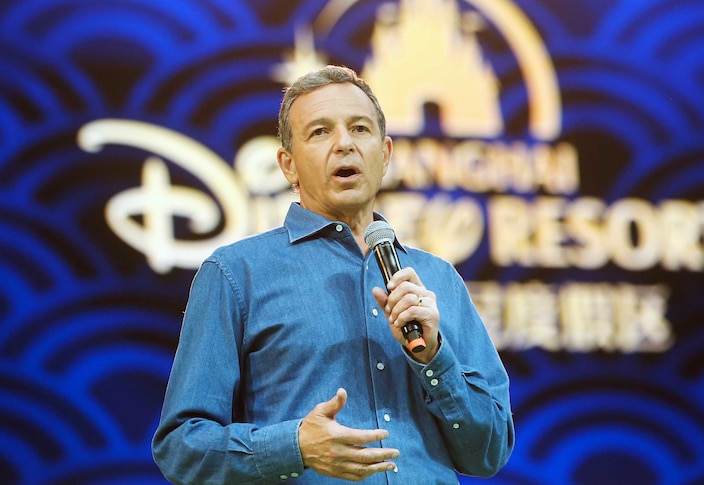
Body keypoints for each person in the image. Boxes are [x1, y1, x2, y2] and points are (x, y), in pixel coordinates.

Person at [151, 65, 514, 483]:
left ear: (386, 154)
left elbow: (489, 454)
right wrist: (295, 447)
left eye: (360, 129)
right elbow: (181, 447)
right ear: (288, 166)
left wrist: (434, 357)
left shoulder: (438, 279)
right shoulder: (236, 274)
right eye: (320, 132)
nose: (344, 144)